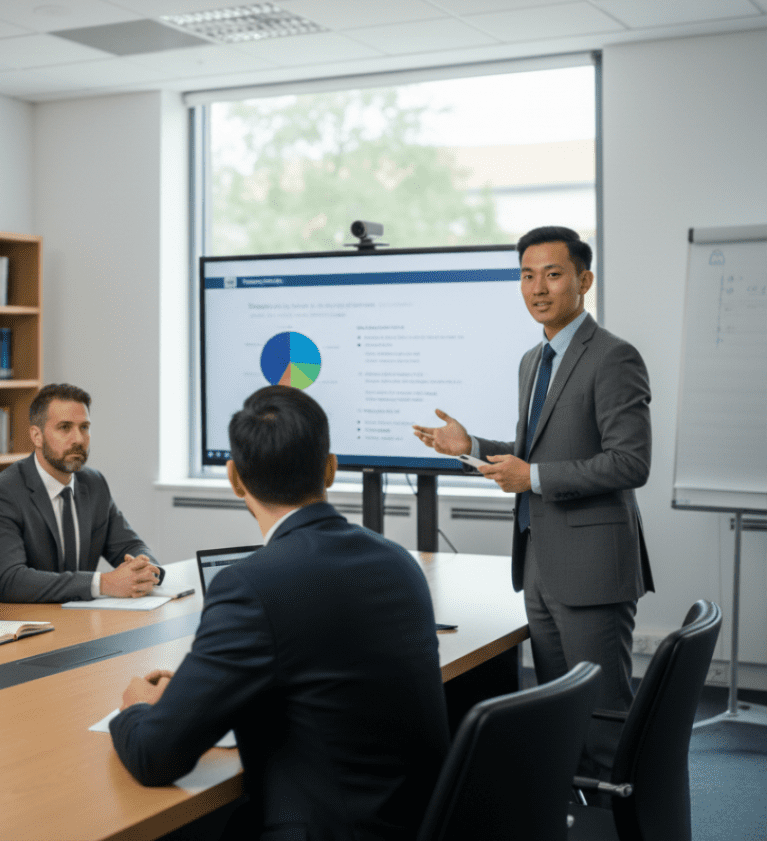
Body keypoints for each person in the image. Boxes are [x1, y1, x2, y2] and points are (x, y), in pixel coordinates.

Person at [111, 386, 450, 841]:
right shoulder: (398, 561)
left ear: (235, 479)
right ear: (330, 468)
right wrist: (193, 695)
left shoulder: (251, 585)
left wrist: (137, 708)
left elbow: (155, 757)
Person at [413, 225, 653, 775]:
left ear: (584, 281)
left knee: (602, 719)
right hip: (539, 558)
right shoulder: (533, 359)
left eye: (552, 274)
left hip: (592, 565)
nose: (537, 288)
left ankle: (618, 812)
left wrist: (534, 477)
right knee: (556, 711)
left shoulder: (614, 357)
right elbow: (533, 453)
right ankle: (566, 808)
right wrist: (471, 447)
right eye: (526, 276)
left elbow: (630, 463)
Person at [0, 383, 161, 603]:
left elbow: (129, 545)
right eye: (65, 428)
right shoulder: (1, 493)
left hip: (80, 615)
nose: (79, 439)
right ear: (36, 436)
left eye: (84, 427)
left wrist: (146, 569)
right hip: (27, 617)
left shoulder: (94, 483)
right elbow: (11, 580)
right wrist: (103, 583)